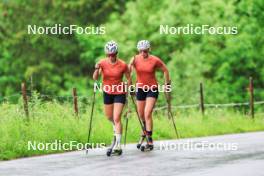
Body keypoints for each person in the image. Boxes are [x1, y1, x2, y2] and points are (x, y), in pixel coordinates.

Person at [129, 40, 171, 150]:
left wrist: (167, 84)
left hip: (152, 88)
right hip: (140, 89)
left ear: (149, 50)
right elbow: (129, 71)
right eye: (141, 51)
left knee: (147, 113)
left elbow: (165, 70)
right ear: (139, 51)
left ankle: (150, 140)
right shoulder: (134, 59)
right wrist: (129, 85)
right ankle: (144, 132)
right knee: (141, 114)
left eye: (145, 51)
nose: (143, 53)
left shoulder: (155, 60)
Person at [93, 41, 131, 155]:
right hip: (107, 92)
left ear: (116, 53)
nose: (111, 56)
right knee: (109, 117)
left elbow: (128, 78)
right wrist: (96, 68)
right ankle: (115, 135)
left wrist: (129, 88)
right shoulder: (102, 63)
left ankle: (118, 146)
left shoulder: (123, 65)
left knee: (116, 118)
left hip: (120, 92)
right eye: (109, 54)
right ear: (106, 54)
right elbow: (95, 78)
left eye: (113, 54)